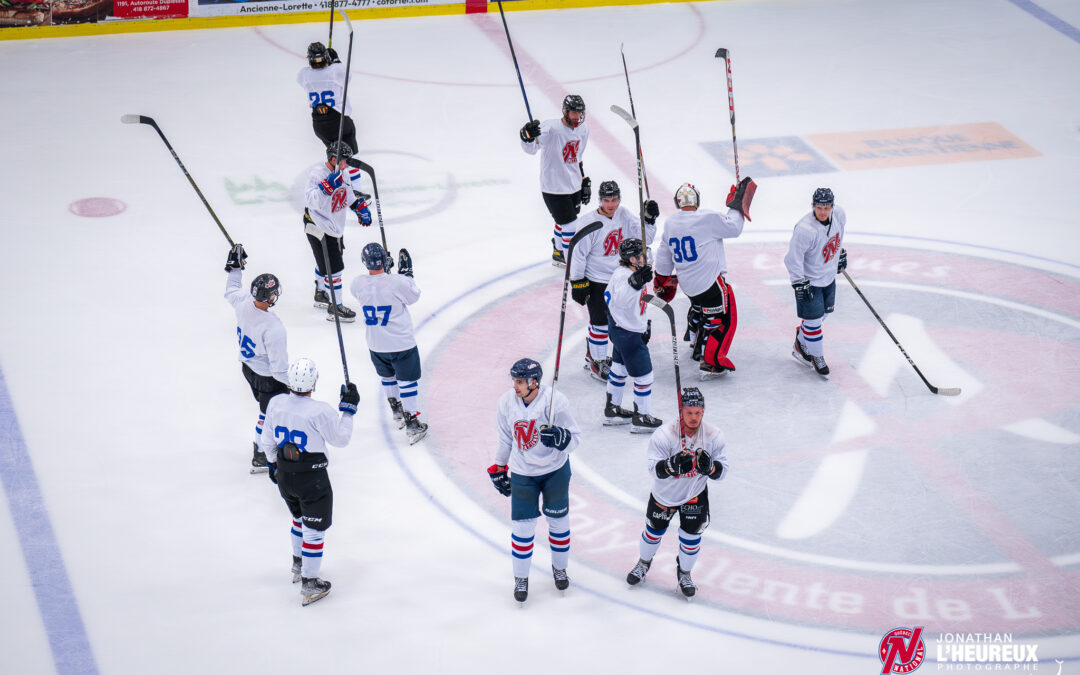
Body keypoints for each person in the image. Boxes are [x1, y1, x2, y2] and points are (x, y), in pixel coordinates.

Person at [261, 357, 359, 606]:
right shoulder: (320, 411)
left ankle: (298, 563)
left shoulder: (276, 403)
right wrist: (347, 409)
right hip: (312, 479)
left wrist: (273, 464)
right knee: (314, 530)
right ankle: (310, 583)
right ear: (314, 383)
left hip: (285, 475)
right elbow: (341, 439)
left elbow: (267, 439)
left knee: (298, 519)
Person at [487, 358, 581, 604]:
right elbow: (506, 438)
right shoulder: (506, 402)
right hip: (523, 472)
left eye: (519, 381)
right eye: (514, 381)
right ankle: (521, 578)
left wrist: (561, 438)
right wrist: (499, 466)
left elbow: (575, 439)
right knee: (522, 529)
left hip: (555, 471)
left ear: (534, 382)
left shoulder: (555, 402)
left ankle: (559, 569)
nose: (515, 386)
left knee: (559, 523)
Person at [624, 387, 727, 599]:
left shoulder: (714, 435)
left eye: (698, 412)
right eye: (689, 413)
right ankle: (643, 563)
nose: (693, 417)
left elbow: (723, 471)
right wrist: (671, 466)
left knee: (691, 537)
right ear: (681, 411)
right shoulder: (663, 435)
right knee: (653, 532)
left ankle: (685, 573)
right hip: (665, 496)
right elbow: (653, 468)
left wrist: (711, 468)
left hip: (694, 494)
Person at [652, 177, 756, 379]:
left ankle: (695, 342)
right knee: (720, 320)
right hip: (709, 282)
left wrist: (661, 280)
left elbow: (664, 256)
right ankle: (710, 362)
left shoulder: (671, 223)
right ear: (696, 201)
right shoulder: (707, 218)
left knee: (699, 309)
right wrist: (737, 204)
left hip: (688, 284)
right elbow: (734, 228)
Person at [566, 180, 657, 382]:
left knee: (620, 321)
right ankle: (597, 362)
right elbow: (578, 255)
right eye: (606, 200)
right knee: (599, 323)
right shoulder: (588, 222)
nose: (611, 204)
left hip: (619, 279)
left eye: (614, 199)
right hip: (596, 279)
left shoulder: (623, 214)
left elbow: (645, 239)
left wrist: (649, 219)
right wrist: (578, 282)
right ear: (600, 200)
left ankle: (594, 354)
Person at [349, 242, 428, 444]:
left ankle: (397, 412)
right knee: (408, 381)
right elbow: (413, 296)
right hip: (401, 343)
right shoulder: (397, 282)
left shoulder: (357, 284)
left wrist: (389, 276)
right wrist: (405, 275)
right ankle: (411, 423)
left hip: (376, 345)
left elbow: (375, 285)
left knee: (388, 378)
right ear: (385, 260)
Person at [223, 243, 289, 472]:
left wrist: (235, 267)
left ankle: (267, 444)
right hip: (267, 377)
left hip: (248, 369)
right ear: (270, 296)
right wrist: (299, 385)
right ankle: (261, 452)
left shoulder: (243, 303)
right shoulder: (273, 328)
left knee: (267, 410)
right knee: (268, 413)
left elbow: (231, 289)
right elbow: (280, 370)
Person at [518, 94, 591, 267]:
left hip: (573, 185)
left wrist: (583, 179)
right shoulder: (550, 128)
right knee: (571, 226)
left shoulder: (584, 129)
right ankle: (571, 262)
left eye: (579, 113)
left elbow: (577, 157)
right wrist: (526, 135)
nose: (577, 117)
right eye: (573, 113)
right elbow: (531, 148)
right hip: (554, 188)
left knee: (564, 222)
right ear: (565, 111)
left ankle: (558, 253)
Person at [304, 141, 372, 323]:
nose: (348, 164)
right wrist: (325, 187)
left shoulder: (342, 173)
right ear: (334, 159)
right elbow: (311, 201)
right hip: (318, 224)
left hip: (333, 226)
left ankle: (321, 292)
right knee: (334, 268)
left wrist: (359, 208)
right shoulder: (318, 175)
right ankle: (336, 306)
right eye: (345, 160)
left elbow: (348, 196)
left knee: (324, 262)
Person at [784, 187, 847, 378]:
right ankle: (817, 356)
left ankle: (801, 343)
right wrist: (798, 282)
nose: (823, 211)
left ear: (832, 207)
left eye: (826, 207)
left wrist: (839, 254)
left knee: (823, 315)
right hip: (810, 281)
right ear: (813, 206)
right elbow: (792, 259)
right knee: (813, 322)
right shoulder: (805, 229)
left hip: (828, 277)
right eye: (819, 207)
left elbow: (836, 237)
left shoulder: (839, 215)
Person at [603, 238, 662, 433]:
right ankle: (641, 417)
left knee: (619, 369)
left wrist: (642, 325)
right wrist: (634, 284)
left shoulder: (630, 273)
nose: (645, 258)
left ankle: (612, 409)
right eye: (641, 255)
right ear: (632, 258)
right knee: (645, 375)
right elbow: (619, 300)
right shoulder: (625, 277)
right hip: (627, 333)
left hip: (621, 329)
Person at [297, 42, 359, 161]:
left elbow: (305, 79)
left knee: (336, 156)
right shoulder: (335, 70)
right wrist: (335, 60)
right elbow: (347, 77)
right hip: (339, 122)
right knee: (351, 156)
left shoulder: (304, 74)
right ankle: (354, 176)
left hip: (319, 125)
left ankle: (340, 171)